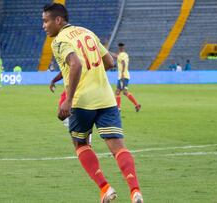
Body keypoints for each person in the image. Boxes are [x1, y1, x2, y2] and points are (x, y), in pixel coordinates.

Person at [42, 3, 143, 203]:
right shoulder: (87, 32)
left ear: (58, 20)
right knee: (118, 148)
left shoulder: (59, 41)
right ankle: (135, 191)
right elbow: (109, 63)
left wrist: (68, 100)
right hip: (106, 98)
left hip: (82, 102)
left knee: (80, 144)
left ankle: (105, 188)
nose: (43, 26)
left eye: (45, 21)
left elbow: (76, 63)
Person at [111, 43, 141, 112]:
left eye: (120, 47)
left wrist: (122, 74)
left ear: (120, 48)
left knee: (124, 92)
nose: (119, 48)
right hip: (123, 76)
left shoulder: (121, 55)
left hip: (123, 76)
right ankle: (119, 108)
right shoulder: (124, 55)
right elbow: (117, 58)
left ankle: (136, 105)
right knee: (118, 91)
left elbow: (123, 63)